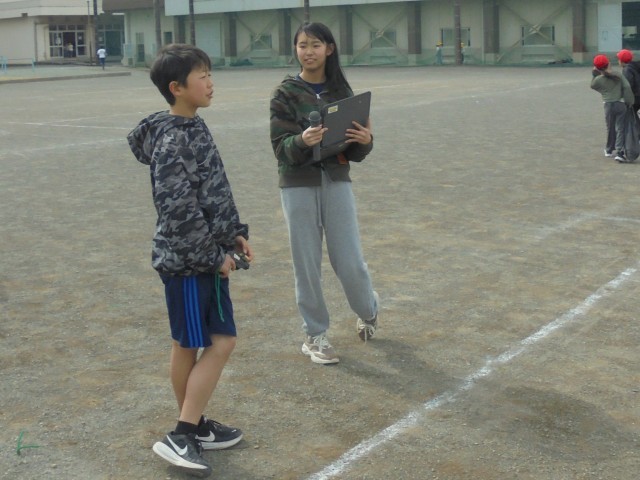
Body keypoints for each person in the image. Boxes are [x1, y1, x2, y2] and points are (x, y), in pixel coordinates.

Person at [127, 43, 253, 477]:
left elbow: (214, 190)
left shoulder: (195, 126)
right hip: (186, 264)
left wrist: (235, 234)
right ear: (176, 87)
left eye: (210, 74)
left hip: (209, 257)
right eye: (202, 76)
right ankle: (182, 434)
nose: (211, 82)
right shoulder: (171, 140)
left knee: (217, 340)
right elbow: (178, 211)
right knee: (193, 343)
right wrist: (212, 257)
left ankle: (193, 425)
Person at [269, 22, 379, 365]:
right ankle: (315, 334)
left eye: (315, 45)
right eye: (302, 45)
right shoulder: (285, 93)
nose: (308, 51)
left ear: (329, 49)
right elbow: (280, 148)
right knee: (307, 264)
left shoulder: (342, 91)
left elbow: (356, 150)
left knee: (349, 260)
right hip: (297, 184)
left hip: (336, 179)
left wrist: (366, 141)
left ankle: (369, 309)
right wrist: (302, 140)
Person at [590, 54, 634, 162]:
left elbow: (593, 85)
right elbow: (627, 87)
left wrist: (594, 74)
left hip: (608, 105)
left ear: (596, 67)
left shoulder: (598, 80)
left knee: (610, 128)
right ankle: (619, 151)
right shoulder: (618, 75)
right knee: (620, 128)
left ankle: (609, 149)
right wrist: (629, 101)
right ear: (608, 64)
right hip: (620, 103)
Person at [617, 49, 640, 115]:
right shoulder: (635, 66)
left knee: (631, 117)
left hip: (635, 98)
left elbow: (628, 86)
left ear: (621, 61)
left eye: (618, 59)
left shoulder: (627, 70)